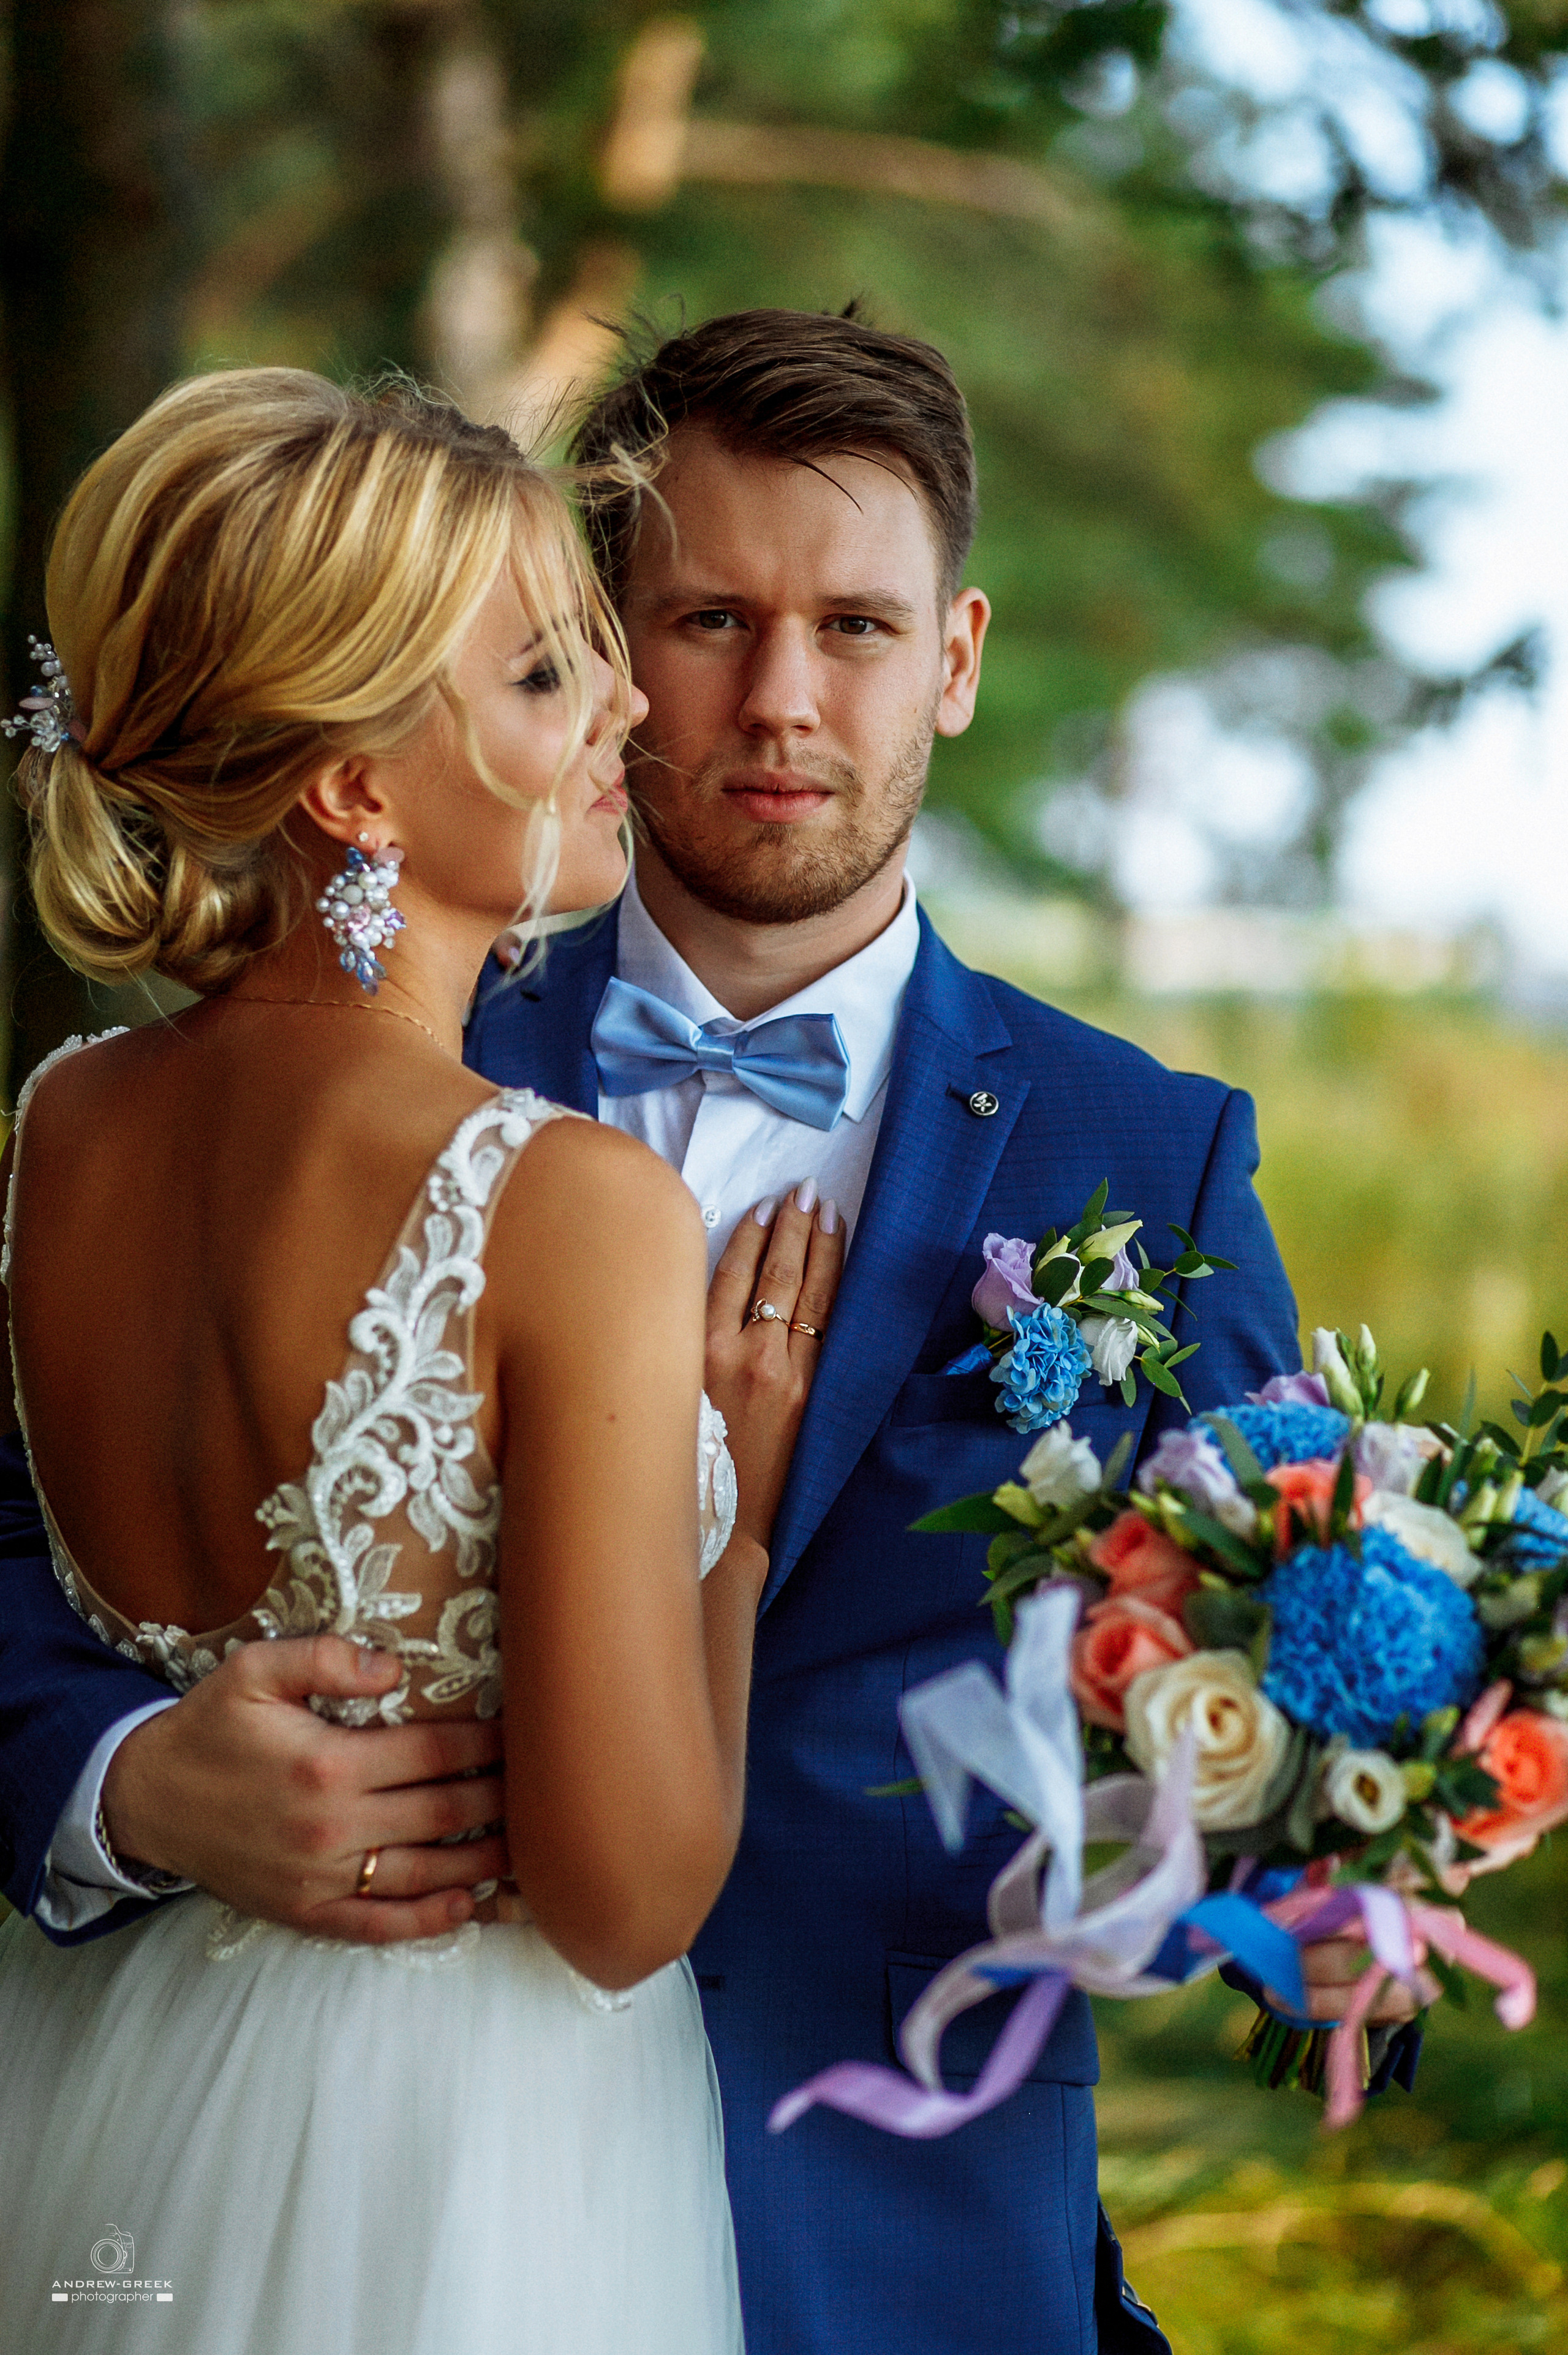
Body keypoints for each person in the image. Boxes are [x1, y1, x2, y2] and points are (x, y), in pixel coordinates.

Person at [0, 312, 1417, 2355]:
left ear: (957, 656)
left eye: (857, 627)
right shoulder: (348, 1068)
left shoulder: (1148, 1158)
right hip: (374, 2202)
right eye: (706, 621)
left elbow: (1300, 1669)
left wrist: (1329, 1876)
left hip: (912, 2265)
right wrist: (125, 1786)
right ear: (612, 641)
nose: (780, 700)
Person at [0, 364, 846, 2352]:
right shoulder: (570, 1205)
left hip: (113, 2084)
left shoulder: (60, 1126)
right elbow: (624, 1902)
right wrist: (731, 1531)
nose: (631, 707)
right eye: (548, 675)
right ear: (355, 791)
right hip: (464, 2164)